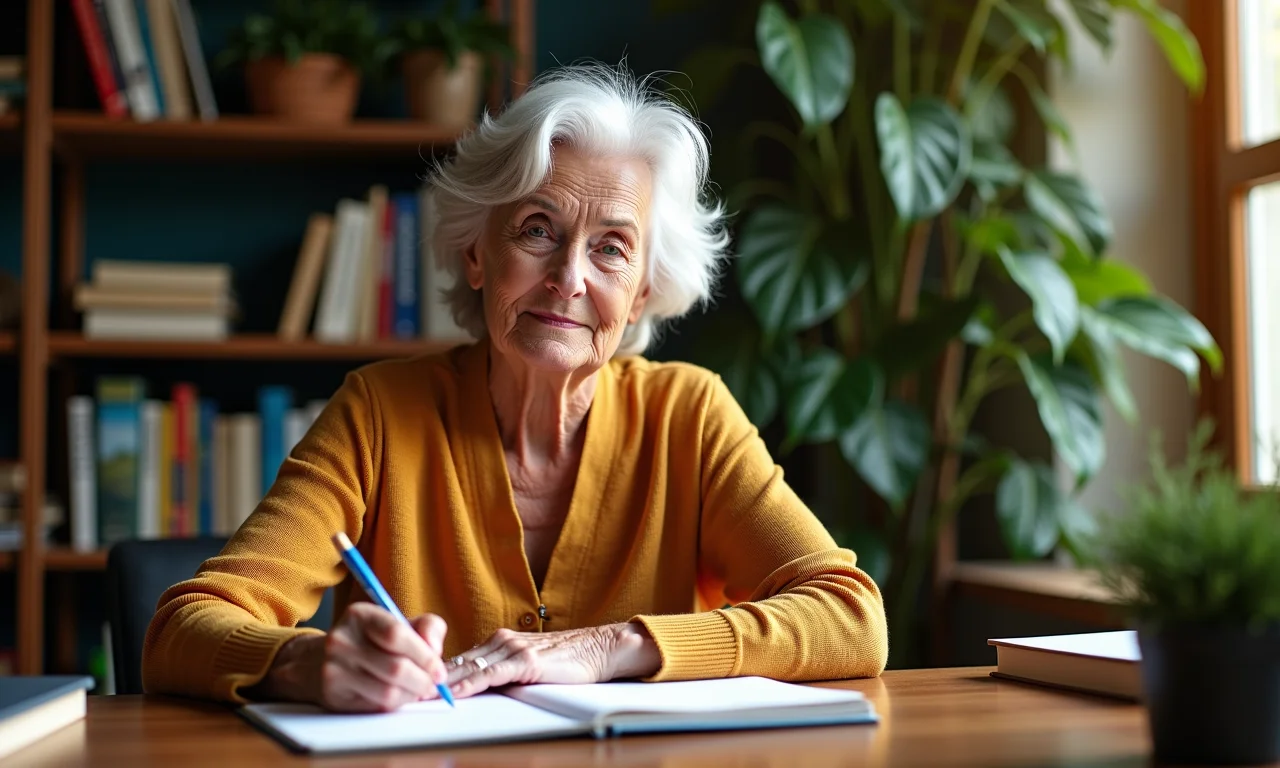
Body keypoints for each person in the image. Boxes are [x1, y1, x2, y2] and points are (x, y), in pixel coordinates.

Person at [142, 64, 888, 713]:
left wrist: (609, 648)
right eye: (537, 229)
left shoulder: (689, 414)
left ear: (644, 289)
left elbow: (851, 618)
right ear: (476, 252)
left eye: (612, 248)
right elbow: (183, 629)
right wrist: (306, 663)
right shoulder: (379, 412)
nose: (569, 279)